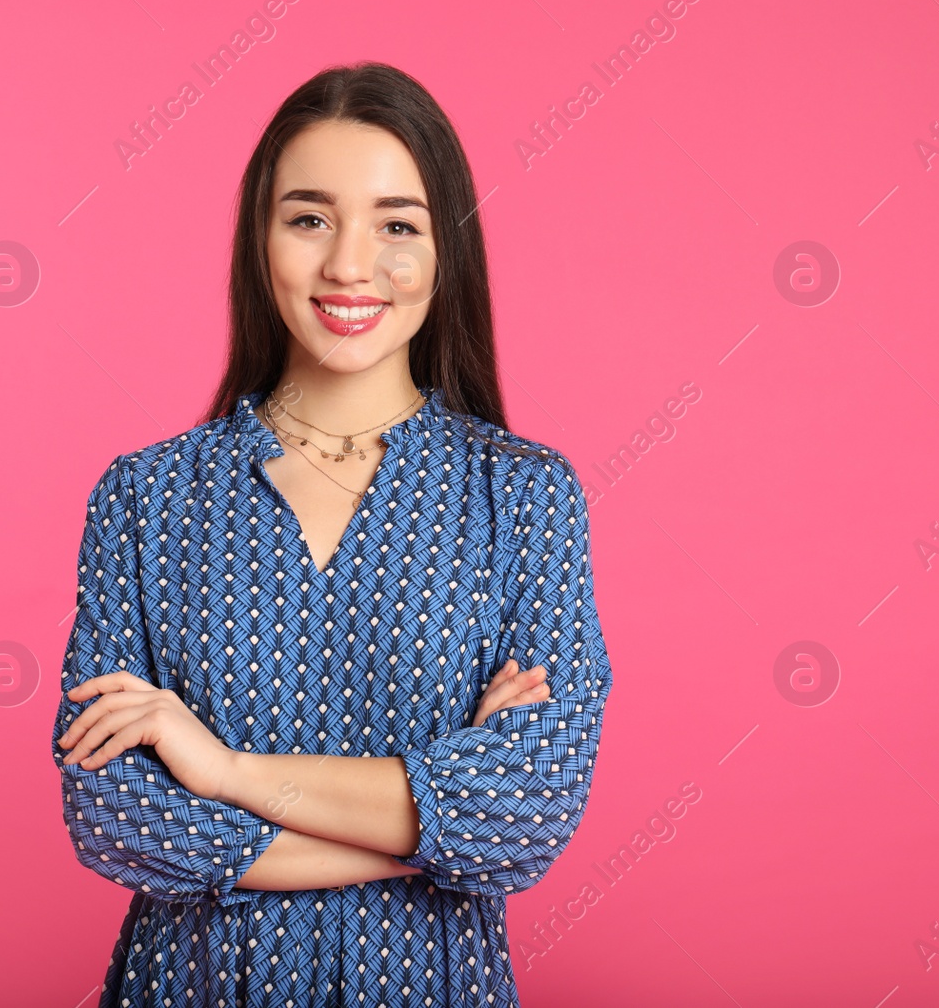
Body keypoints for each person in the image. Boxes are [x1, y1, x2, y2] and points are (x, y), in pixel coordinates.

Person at [51, 63, 614, 1007]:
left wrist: (223, 770)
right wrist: (427, 834)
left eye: (398, 224)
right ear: (259, 240)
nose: (350, 264)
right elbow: (116, 815)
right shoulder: (144, 498)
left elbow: (527, 811)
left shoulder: (524, 496)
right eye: (309, 217)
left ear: (447, 253)